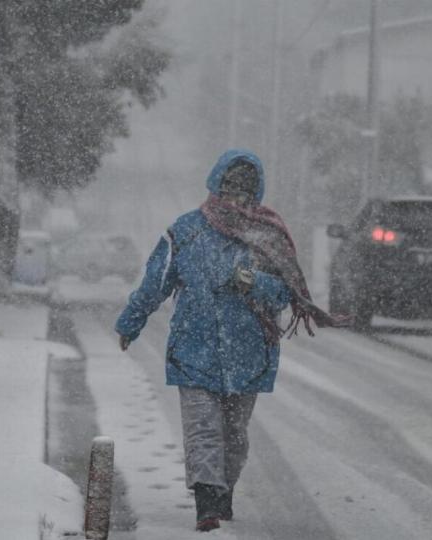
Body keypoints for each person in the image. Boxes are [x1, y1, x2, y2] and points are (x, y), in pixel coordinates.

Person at [114, 149, 347, 532]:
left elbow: (284, 295)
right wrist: (131, 321)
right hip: (194, 349)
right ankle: (207, 500)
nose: (237, 196)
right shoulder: (186, 232)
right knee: (202, 428)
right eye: (230, 186)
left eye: (246, 189)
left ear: (257, 192)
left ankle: (223, 492)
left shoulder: (268, 237)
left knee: (234, 437)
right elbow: (156, 282)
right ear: (216, 185)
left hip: (249, 353)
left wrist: (257, 282)